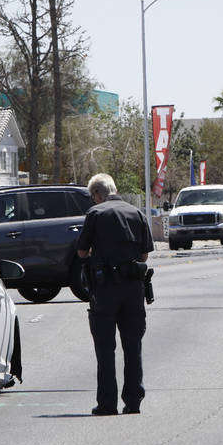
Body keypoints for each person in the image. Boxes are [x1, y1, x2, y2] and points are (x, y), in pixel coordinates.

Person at [76, 173, 155, 415]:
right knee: (133, 346)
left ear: (97, 194)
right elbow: (144, 255)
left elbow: (81, 251)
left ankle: (107, 403)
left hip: (105, 289)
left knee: (105, 348)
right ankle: (133, 401)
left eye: (92, 197)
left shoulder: (96, 214)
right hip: (133, 289)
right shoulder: (136, 213)